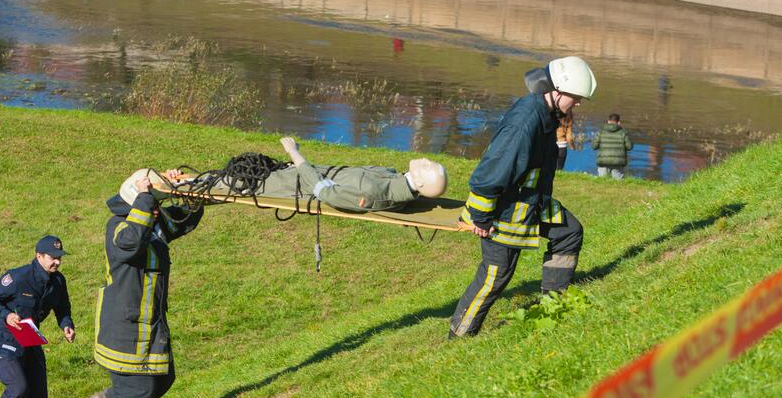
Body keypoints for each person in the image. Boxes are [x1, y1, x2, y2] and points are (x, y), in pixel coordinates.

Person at [450, 56, 596, 338]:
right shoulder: (525, 123)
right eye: (576, 97)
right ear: (557, 90)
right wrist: (480, 217)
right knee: (496, 275)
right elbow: (490, 174)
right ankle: (460, 334)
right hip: (502, 213)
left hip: (532, 202)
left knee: (569, 232)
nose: (577, 103)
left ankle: (553, 304)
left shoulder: (545, 112)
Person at [86, 169, 204, 398]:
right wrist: (145, 197)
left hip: (150, 324)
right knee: (138, 393)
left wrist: (182, 188)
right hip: (126, 327)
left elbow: (184, 221)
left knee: (162, 379)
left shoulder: (151, 221)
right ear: (138, 201)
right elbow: (130, 243)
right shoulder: (118, 226)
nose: (157, 210)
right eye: (152, 203)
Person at [206, 137, 448, 212]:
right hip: (298, 174)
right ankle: (193, 182)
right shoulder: (394, 179)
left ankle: (183, 185)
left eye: (428, 166)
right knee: (237, 172)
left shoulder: (376, 192)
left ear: (419, 182)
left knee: (233, 181)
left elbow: (324, 191)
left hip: (297, 184)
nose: (425, 160)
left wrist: (295, 155)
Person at [0, 235, 76, 398]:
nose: (57, 262)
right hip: (5, 338)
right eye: (52, 257)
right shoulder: (18, 277)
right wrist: (6, 315)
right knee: (18, 388)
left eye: (59, 257)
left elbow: (63, 308)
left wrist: (67, 325)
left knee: (39, 396)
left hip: (30, 338)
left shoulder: (59, 281)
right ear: (39, 256)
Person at [592, 113, 633, 180]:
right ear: (619, 122)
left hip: (603, 161)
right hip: (618, 162)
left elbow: (594, 146)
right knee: (618, 182)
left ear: (608, 121)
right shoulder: (623, 133)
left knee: (602, 181)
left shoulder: (600, 132)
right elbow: (630, 147)